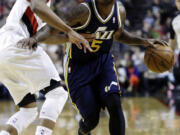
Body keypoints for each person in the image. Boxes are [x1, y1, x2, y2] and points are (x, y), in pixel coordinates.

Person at [20, 0, 167, 134]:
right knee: (92, 119)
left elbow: (119, 35)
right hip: (78, 67)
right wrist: (34, 38)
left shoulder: (119, 11)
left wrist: (144, 41)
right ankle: (83, 130)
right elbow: (50, 29)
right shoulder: (83, 11)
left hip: (103, 62)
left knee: (115, 103)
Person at [0, 0, 92, 135]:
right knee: (57, 94)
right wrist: (69, 30)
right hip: (16, 42)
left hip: (4, 48)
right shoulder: (40, 4)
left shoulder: (46, 7)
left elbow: (43, 37)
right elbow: (37, 6)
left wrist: (69, 37)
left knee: (28, 110)